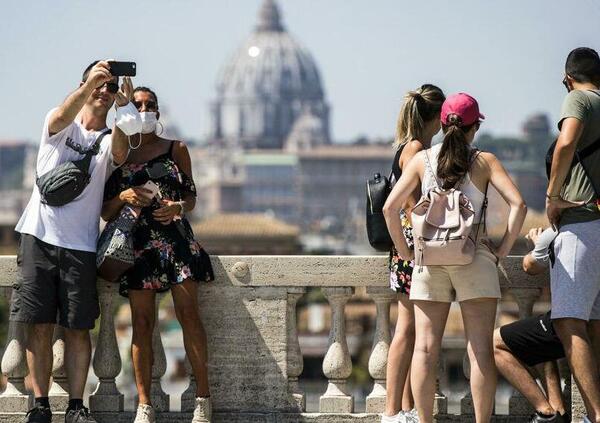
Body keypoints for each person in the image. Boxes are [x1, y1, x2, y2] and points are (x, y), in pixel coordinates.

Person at [383, 93, 527, 423]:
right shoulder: (485, 161)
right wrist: (502, 249)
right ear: (474, 127)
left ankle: (424, 421)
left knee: (424, 349)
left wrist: (407, 253)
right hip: (473, 257)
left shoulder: (422, 160)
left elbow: (390, 207)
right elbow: (519, 205)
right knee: (479, 351)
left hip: (428, 260)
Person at [10, 61, 133, 423]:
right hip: (38, 237)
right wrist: (91, 83)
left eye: (109, 87)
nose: (102, 90)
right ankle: (40, 403)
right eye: (97, 84)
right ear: (82, 85)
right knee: (39, 324)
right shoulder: (58, 125)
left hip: (81, 245)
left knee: (78, 328)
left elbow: (123, 153)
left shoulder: (110, 139)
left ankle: (77, 407)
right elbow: (64, 114)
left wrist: (123, 107)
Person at [101, 86, 214, 423]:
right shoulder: (117, 155)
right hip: (137, 246)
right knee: (142, 323)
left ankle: (203, 399)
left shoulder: (176, 148)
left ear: (159, 113)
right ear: (127, 112)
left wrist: (178, 206)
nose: (145, 109)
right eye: (138, 105)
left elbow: (191, 197)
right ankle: (144, 405)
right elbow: (106, 211)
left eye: (150, 105)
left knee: (189, 315)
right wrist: (124, 195)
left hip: (175, 242)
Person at [383, 84, 445, 423]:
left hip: (405, 247)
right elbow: (411, 204)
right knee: (406, 330)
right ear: (435, 118)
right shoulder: (417, 149)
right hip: (411, 248)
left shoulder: (407, 146)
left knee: (411, 331)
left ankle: (404, 407)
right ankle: (392, 410)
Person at [545, 47, 600, 423]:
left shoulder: (578, 97)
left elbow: (566, 143)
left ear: (567, 78)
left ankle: (595, 414)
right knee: (594, 324)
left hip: (581, 223)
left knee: (568, 322)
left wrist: (552, 196)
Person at [494, 227, 572, 423]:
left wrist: (540, 243)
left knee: (492, 343)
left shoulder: (559, 230)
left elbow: (530, 266)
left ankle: (545, 412)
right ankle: (557, 413)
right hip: (580, 319)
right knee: (537, 342)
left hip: (571, 320)